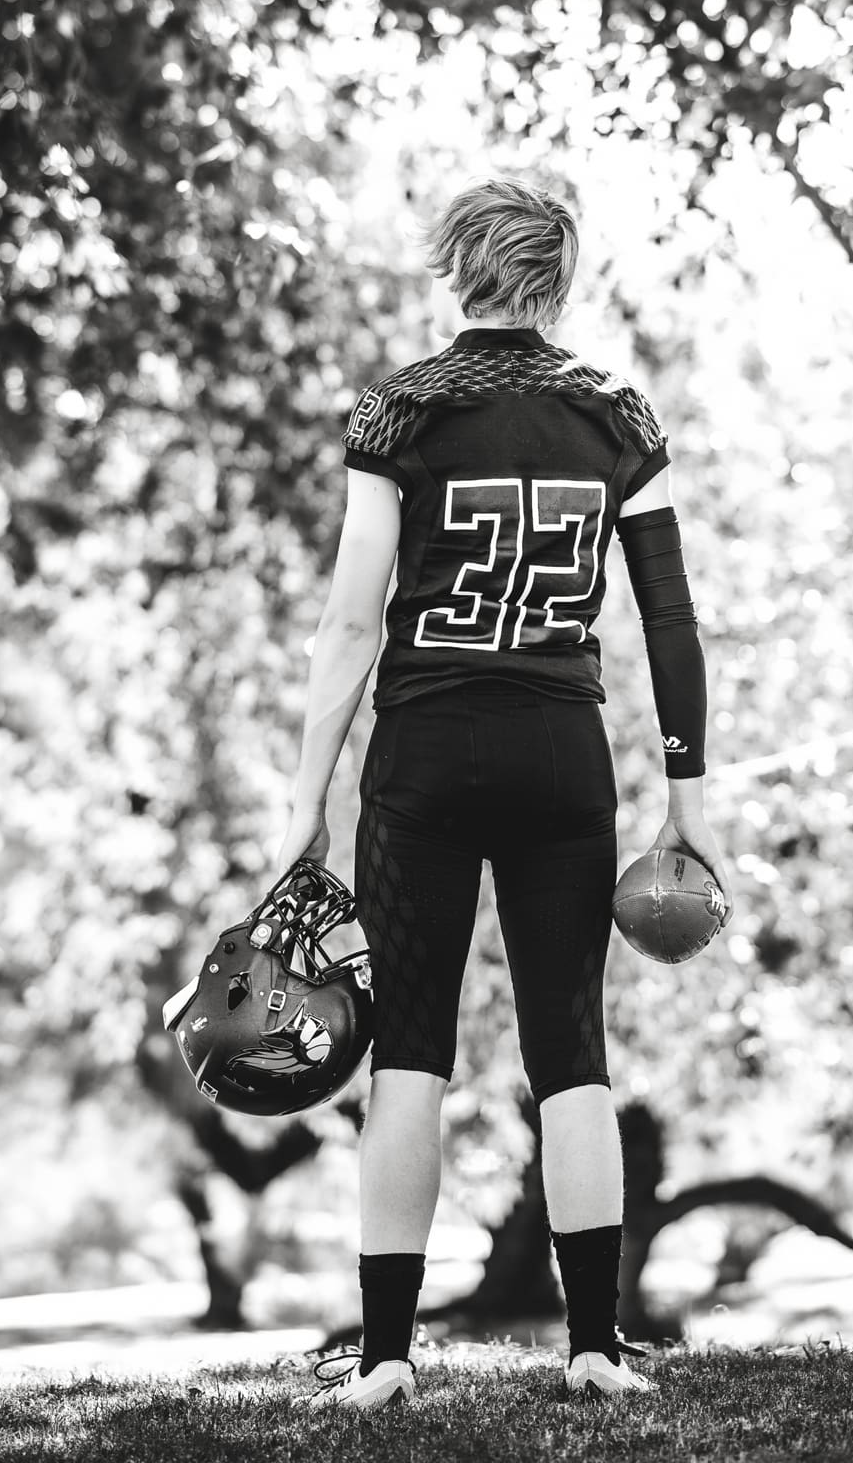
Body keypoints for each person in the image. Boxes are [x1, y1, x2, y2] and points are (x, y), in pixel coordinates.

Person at [271, 175, 731, 1411]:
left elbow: (351, 616)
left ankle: (382, 1359)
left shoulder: (399, 410)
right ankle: (593, 1342)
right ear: (557, 276)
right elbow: (671, 619)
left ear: (457, 265)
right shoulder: (616, 416)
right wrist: (688, 794)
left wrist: (306, 793)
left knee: (409, 1057)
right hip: (558, 755)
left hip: (421, 756)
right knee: (570, 1050)